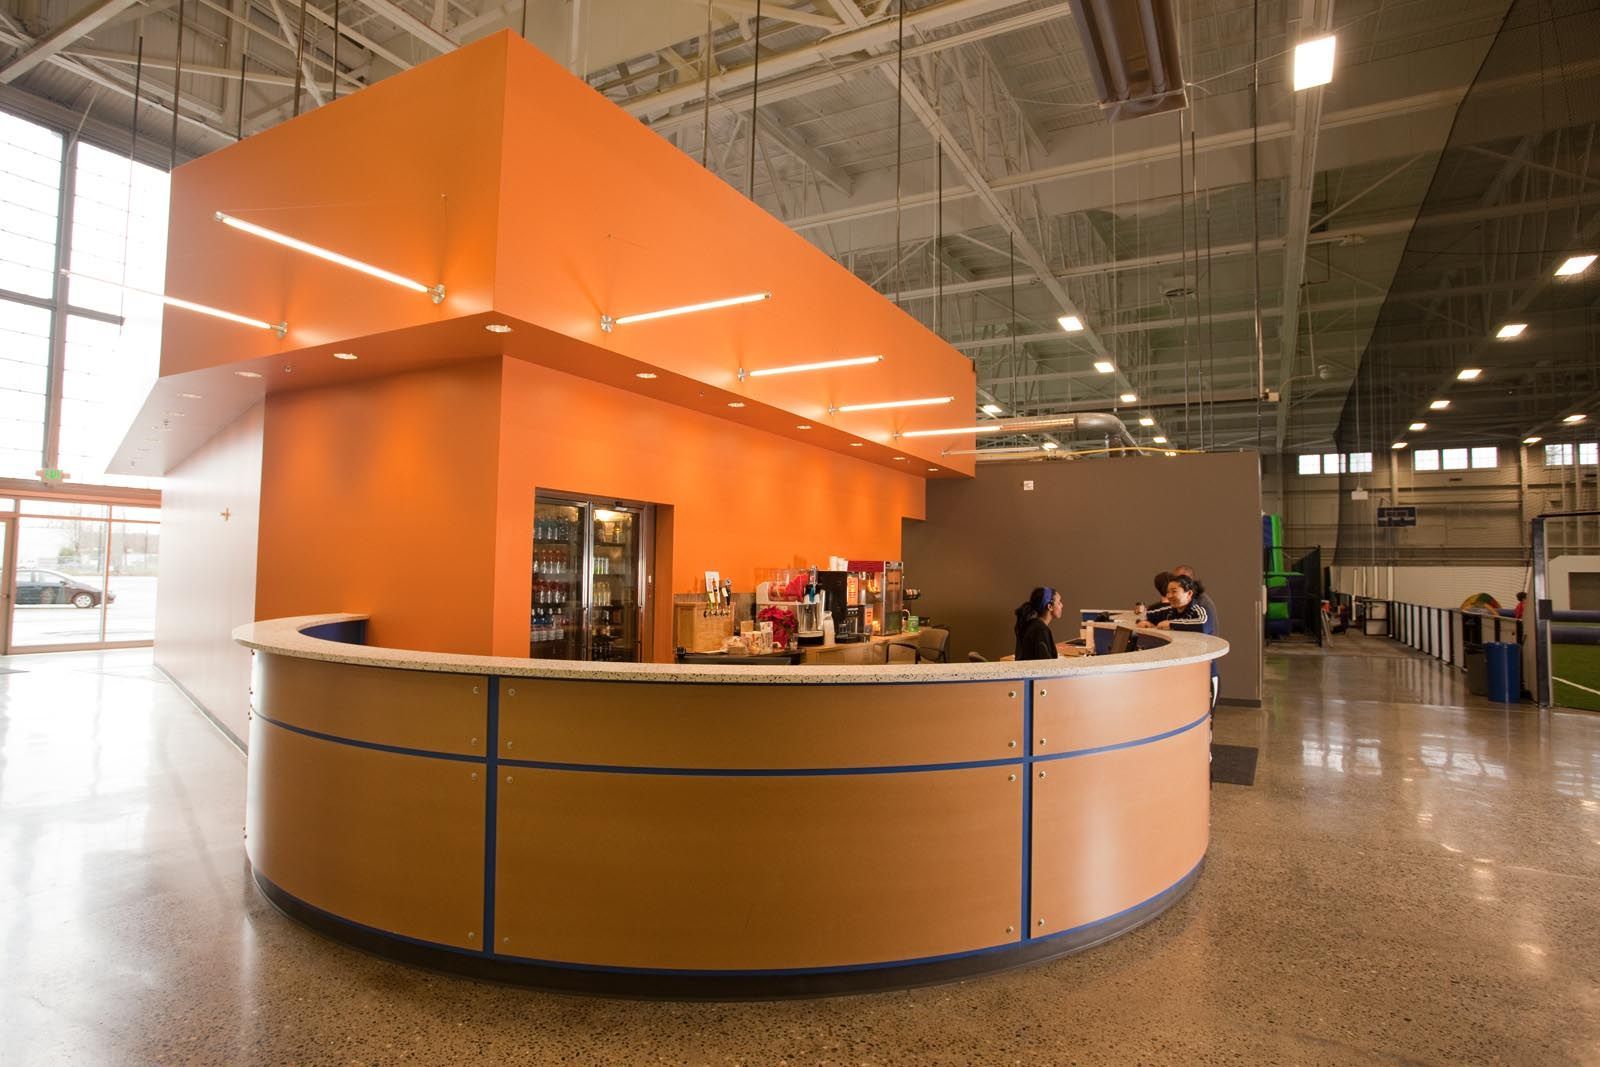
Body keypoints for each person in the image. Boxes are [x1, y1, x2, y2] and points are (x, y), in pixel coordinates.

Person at [1141, 573, 1218, 706]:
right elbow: (1149, 614)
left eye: (1174, 591)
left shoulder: (1198, 608)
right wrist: (1146, 622)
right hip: (1185, 675)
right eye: (1168, 592)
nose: (1169, 596)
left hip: (1205, 674)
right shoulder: (1172, 610)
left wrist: (1171, 624)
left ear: (1189, 594)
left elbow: (1203, 624)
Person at [1014, 586, 1064, 660]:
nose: (1062, 605)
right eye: (1059, 602)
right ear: (1050, 606)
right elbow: (1045, 664)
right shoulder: (1040, 630)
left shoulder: (1032, 624)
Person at [1172, 564, 1217, 629]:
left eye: (1178, 581)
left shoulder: (1202, 602)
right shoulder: (1183, 600)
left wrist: (1171, 624)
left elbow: (1204, 626)